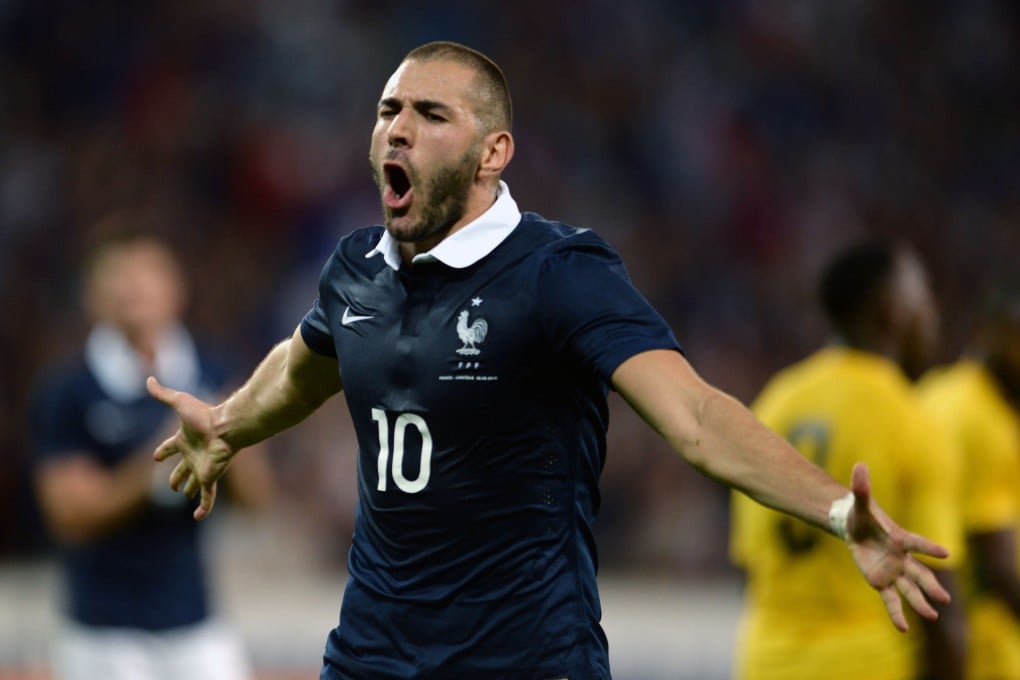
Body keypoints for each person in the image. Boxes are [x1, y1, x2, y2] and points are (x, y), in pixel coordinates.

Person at [148, 41, 952, 679]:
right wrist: (226, 424)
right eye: (389, 110)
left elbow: (699, 419)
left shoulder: (558, 272)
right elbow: (300, 369)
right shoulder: (357, 267)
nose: (398, 129)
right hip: (372, 655)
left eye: (431, 114)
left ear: (494, 151)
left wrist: (840, 512)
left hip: (524, 659)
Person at [28, 229, 276, 680]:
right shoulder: (68, 389)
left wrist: (225, 443)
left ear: (176, 289)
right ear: (92, 296)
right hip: (102, 633)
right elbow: (70, 515)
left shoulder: (214, 371)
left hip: (197, 626)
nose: (134, 289)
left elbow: (257, 501)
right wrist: (164, 456)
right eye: (120, 277)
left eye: (147, 275)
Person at [729, 239, 967, 680]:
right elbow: (938, 601)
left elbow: (750, 564)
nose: (933, 317)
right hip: (864, 664)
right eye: (924, 300)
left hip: (766, 662)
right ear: (892, 311)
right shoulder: (912, 418)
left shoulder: (776, 400)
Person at [919, 289, 1020, 680]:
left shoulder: (937, 389)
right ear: (991, 336)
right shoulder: (985, 420)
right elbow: (997, 567)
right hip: (981, 645)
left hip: (922, 633)